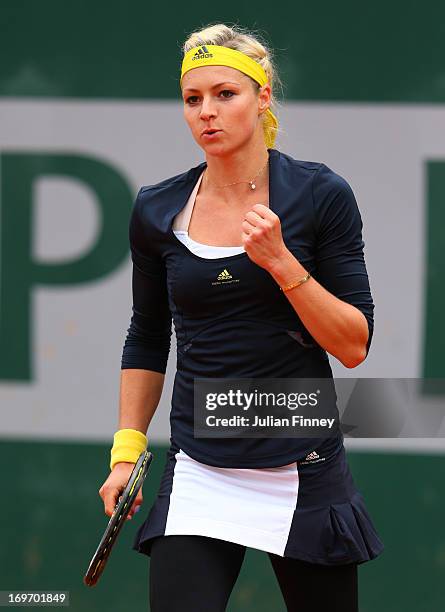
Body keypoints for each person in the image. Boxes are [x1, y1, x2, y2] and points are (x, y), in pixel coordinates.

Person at [99, 22, 384, 612]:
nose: (207, 112)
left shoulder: (319, 195)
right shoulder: (157, 208)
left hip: (301, 464)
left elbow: (354, 343)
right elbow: (148, 337)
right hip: (201, 466)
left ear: (264, 97)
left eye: (225, 94)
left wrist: (281, 263)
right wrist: (126, 451)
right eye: (193, 98)